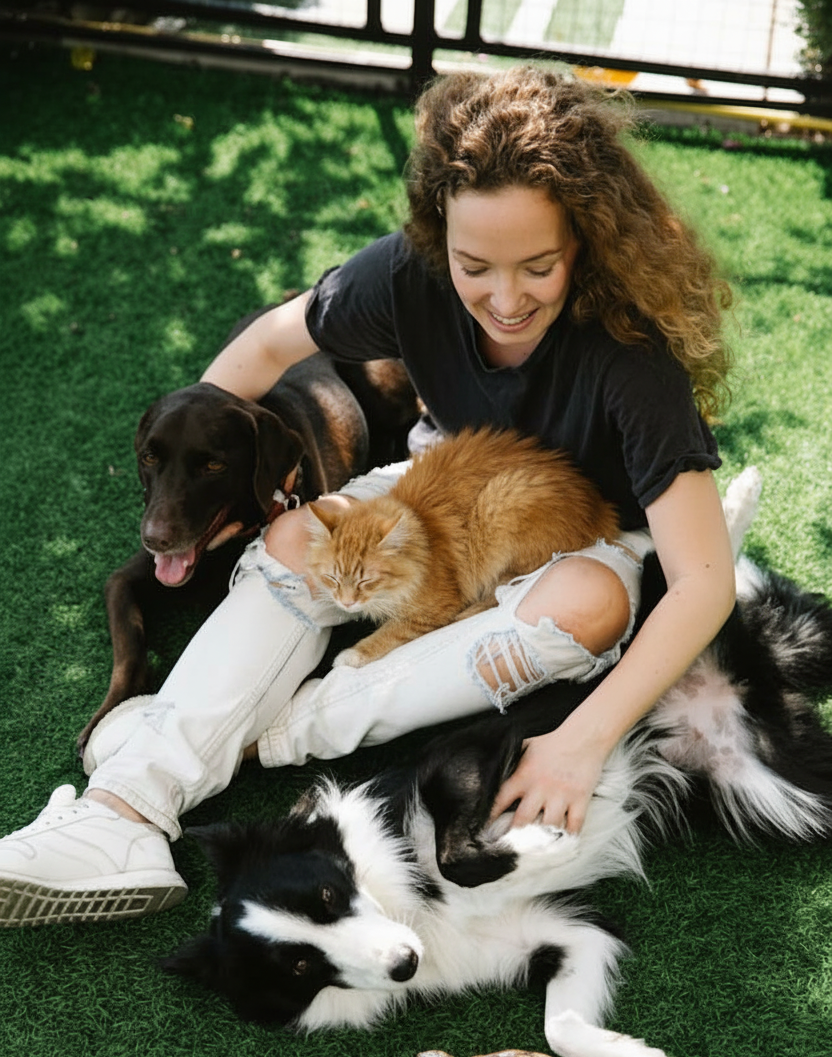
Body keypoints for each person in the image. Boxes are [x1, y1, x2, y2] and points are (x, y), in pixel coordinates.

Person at [0, 65, 736, 928]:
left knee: (591, 603)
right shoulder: (408, 275)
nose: (505, 298)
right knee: (291, 544)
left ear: (587, 240)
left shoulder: (630, 357)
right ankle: (120, 812)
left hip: (582, 533)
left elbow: (702, 581)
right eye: (475, 267)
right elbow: (274, 340)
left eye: (539, 266)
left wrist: (581, 743)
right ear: (438, 239)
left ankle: (261, 737)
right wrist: (213, 458)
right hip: (444, 483)